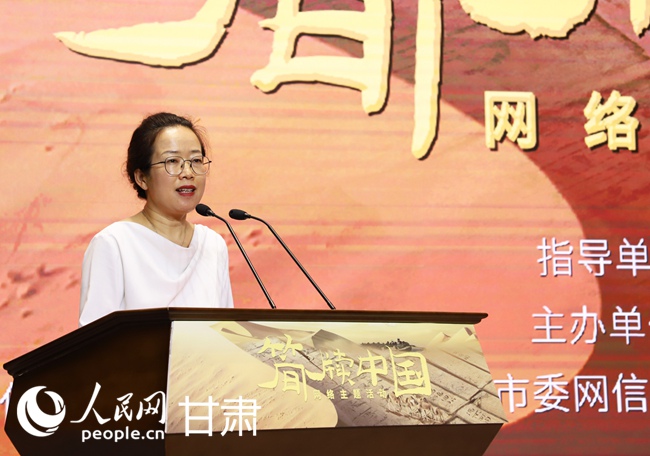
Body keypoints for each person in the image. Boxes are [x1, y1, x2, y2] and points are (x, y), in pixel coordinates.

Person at [79, 112, 233, 326]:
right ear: (142, 178)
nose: (187, 172)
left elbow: (226, 332)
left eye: (196, 161)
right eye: (173, 161)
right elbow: (94, 340)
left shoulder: (212, 245)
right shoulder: (114, 244)